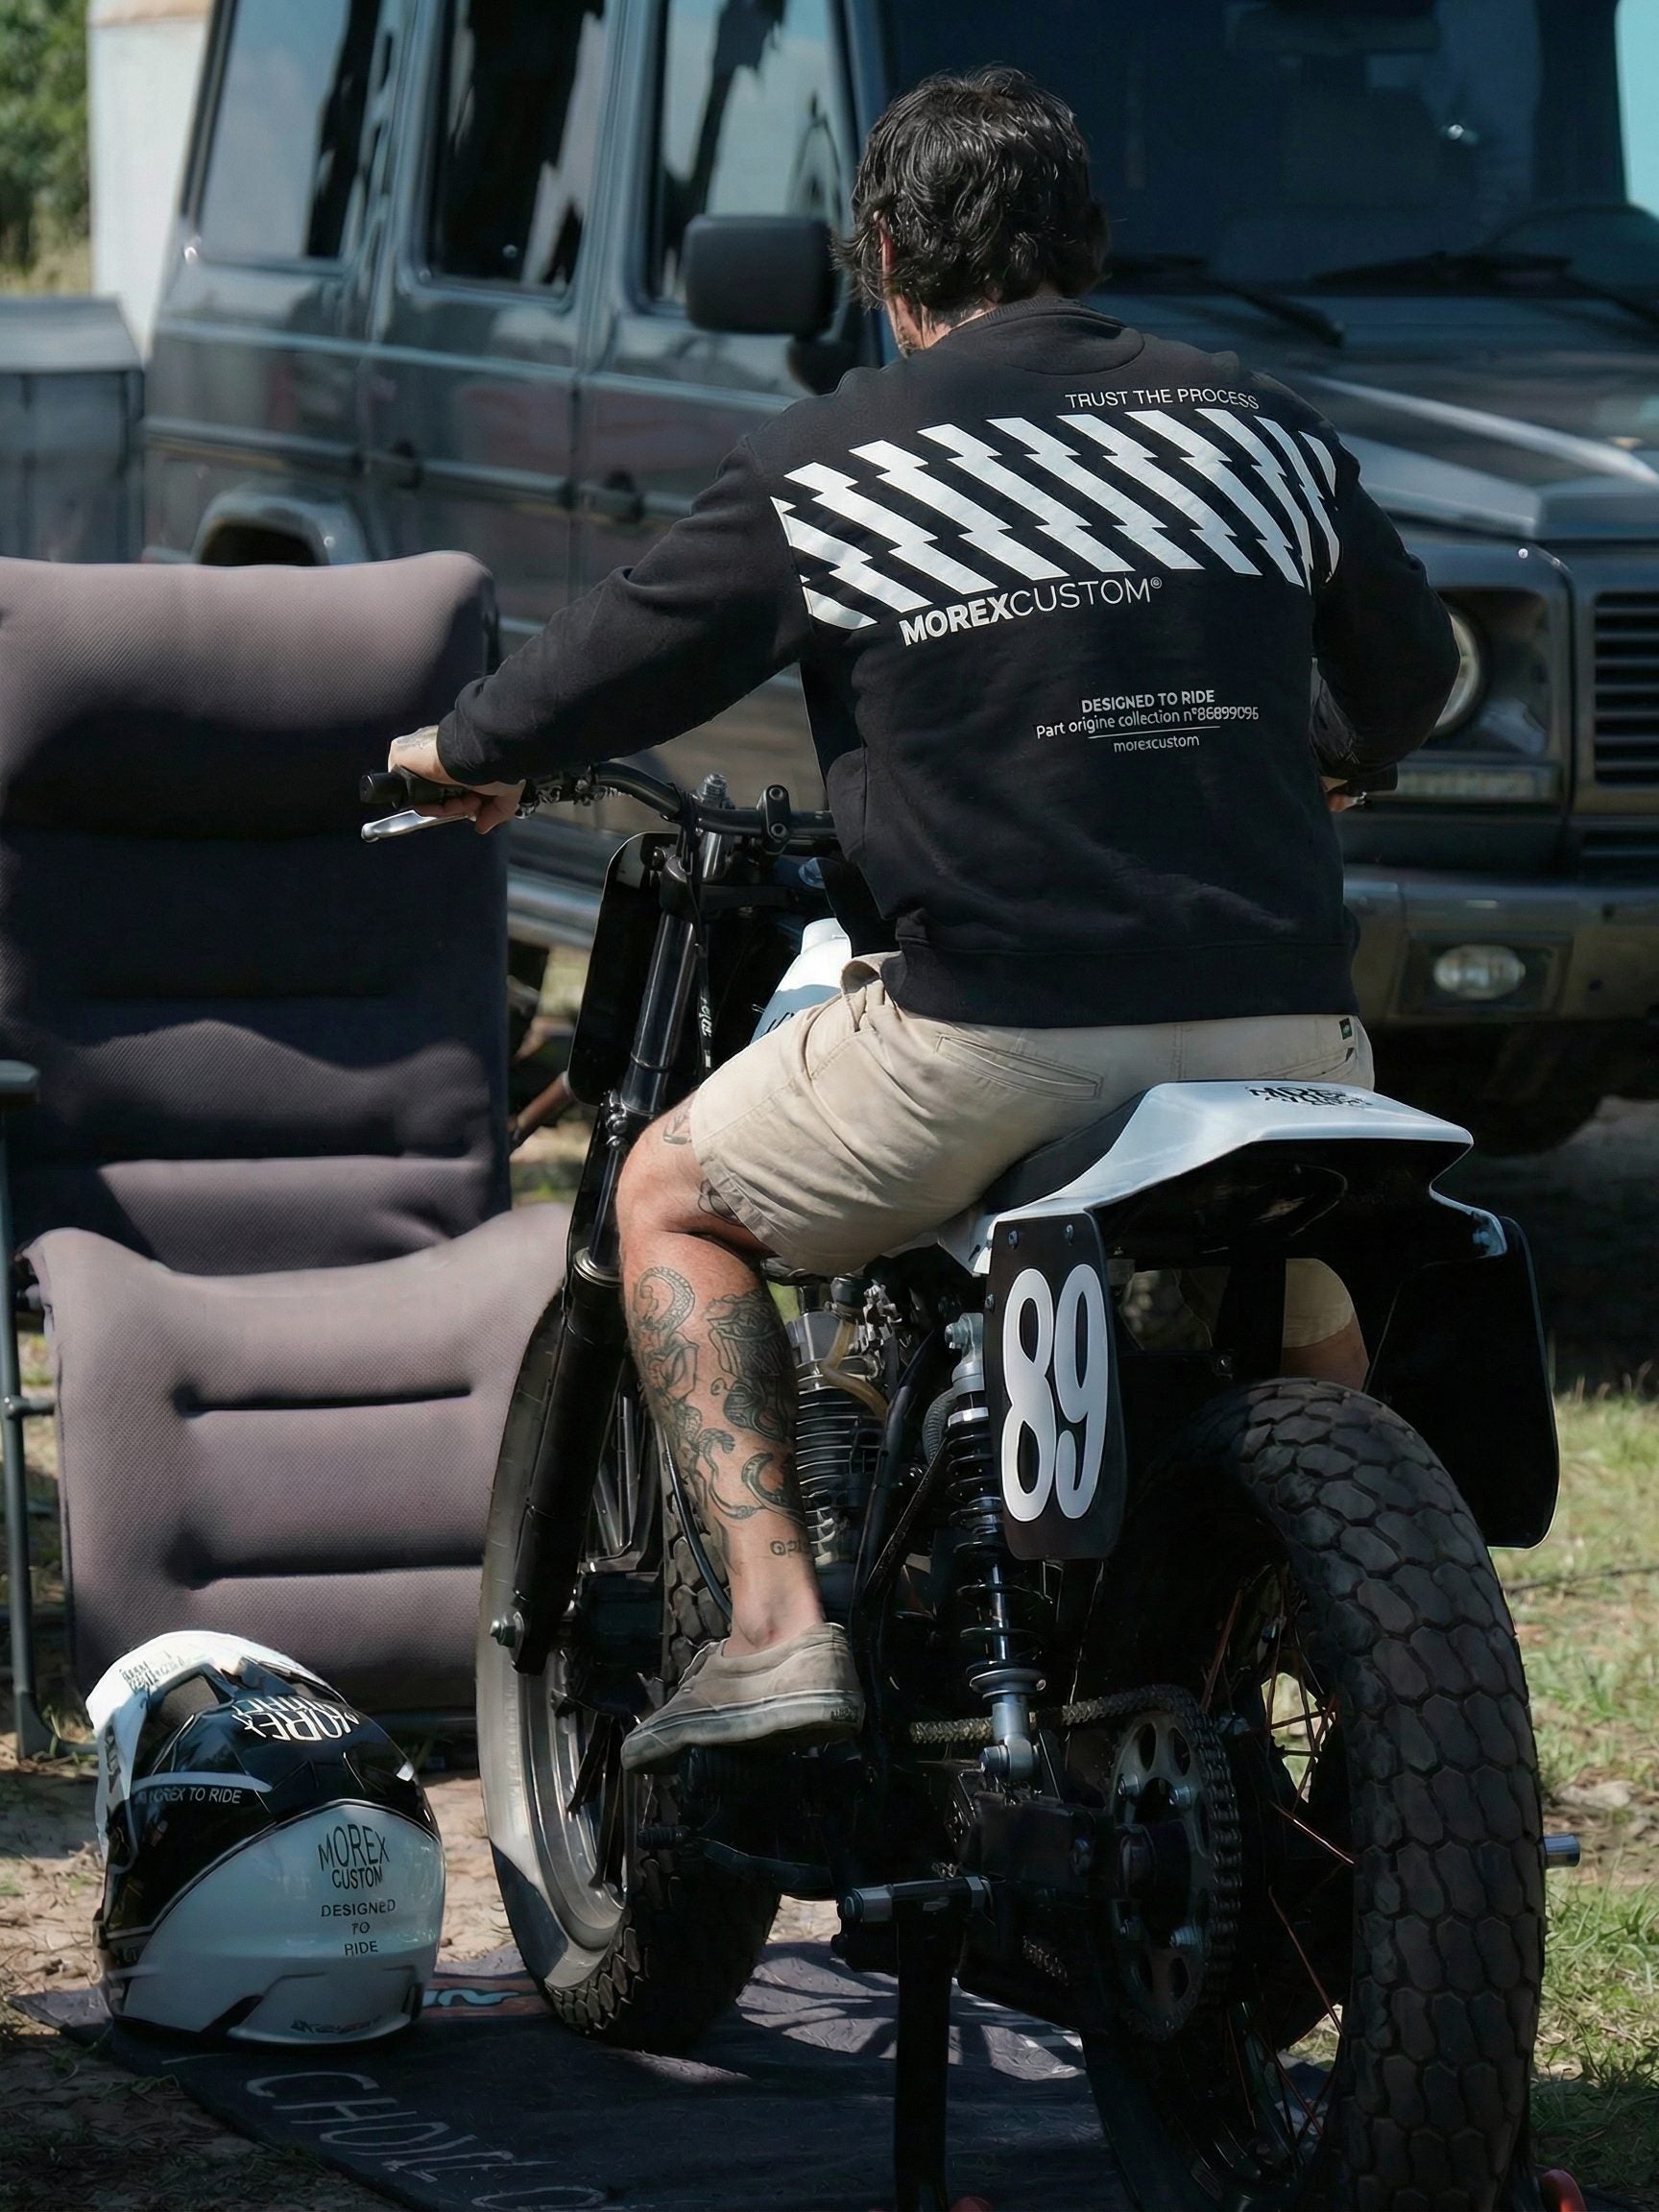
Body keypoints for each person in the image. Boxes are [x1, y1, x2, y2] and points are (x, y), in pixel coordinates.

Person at [389, 69, 1458, 1771]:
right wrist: (1320, 754)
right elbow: (1412, 680)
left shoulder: (839, 458)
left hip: (991, 1041)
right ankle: (1374, 1678)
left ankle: (772, 1627)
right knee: (1299, 1273)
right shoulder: (1262, 422)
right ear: (1086, 246)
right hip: (1286, 1034)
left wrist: (462, 749)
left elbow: (617, 657)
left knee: (669, 1194)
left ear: (883, 255)